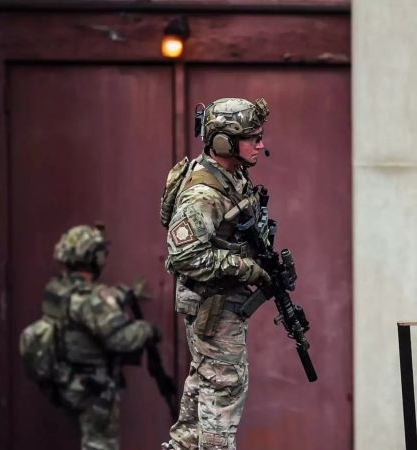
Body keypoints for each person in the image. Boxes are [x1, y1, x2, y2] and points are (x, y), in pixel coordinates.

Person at [161, 97, 273, 450]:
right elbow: (184, 256)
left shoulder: (232, 175)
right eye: (253, 137)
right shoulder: (202, 193)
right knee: (223, 387)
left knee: (201, 396)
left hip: (223, 303)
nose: (261, 144)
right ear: (224, 142)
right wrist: (244, 266)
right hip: (212, 305)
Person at [46, 224, 157, 450]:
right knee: (99, 445)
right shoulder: (94, 298)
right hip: (94, 389)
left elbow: (84, 308)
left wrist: (124, 294)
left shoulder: (57, 289)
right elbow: (120, 338)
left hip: (68, 380)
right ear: (93, 257)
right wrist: (148, 330)